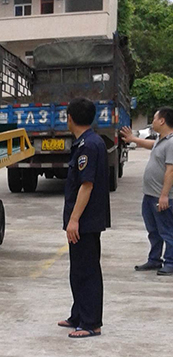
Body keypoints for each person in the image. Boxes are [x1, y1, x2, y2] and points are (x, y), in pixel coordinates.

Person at [58, 97, 110, 338]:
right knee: (78, 270)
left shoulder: (88, 146)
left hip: (86, 221)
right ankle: (78, 315)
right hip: (85, 220)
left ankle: (91, 323)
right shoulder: (87, 142)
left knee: (87, 270)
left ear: (70, 118)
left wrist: (74, 219)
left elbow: (86, 185)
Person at [120, 107, 173, 275]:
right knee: (153, 231)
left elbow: (171, 170)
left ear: (162, 121)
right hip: (150, 195)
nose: (153, 121)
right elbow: (151, 145)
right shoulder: (161, 139)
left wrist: (164, 195)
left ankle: (170, 262)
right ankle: (154, 260)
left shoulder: (171, 142)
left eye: (155, 118)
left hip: (161, 196)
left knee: (167, 231)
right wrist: (132, 139)